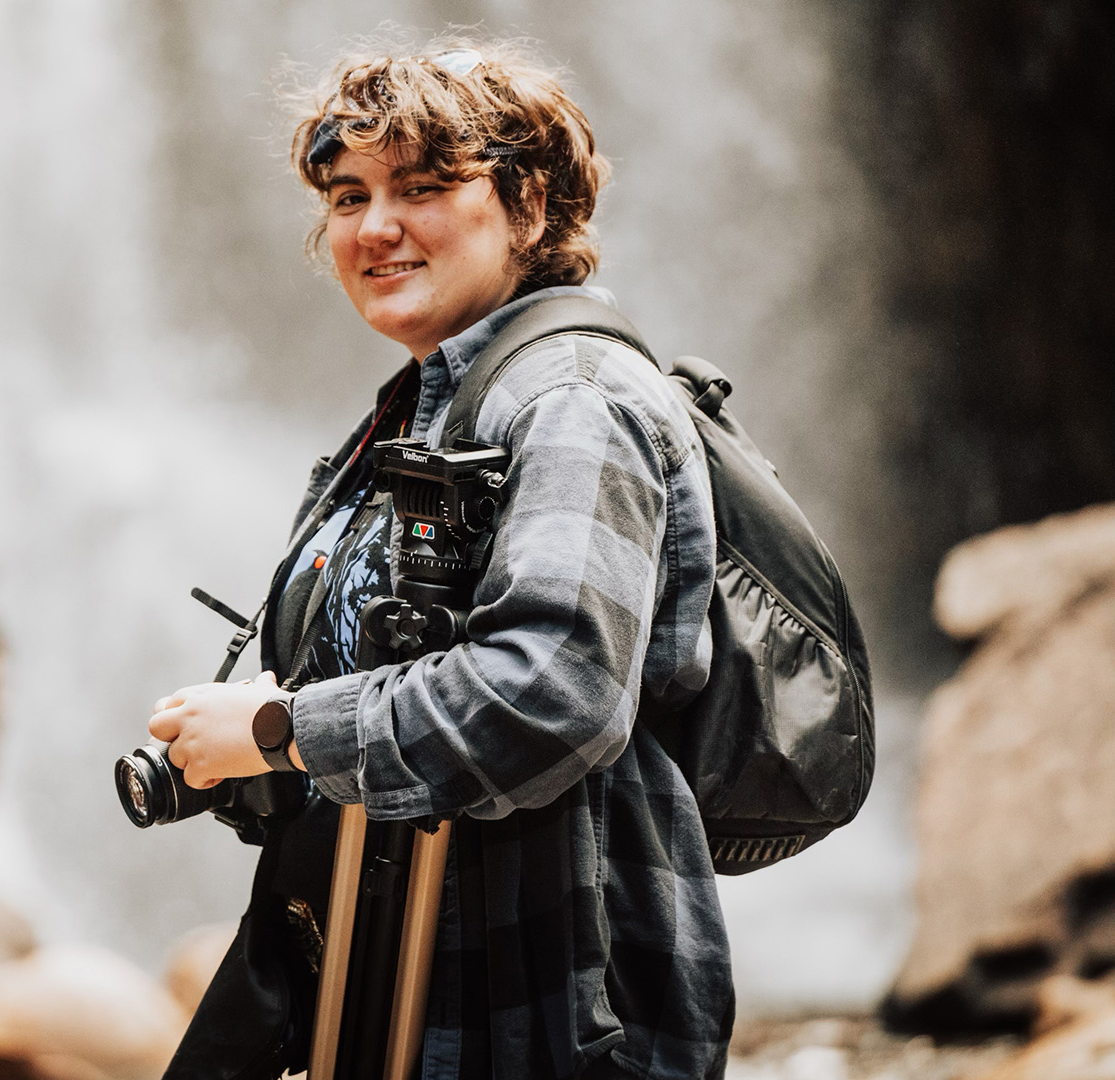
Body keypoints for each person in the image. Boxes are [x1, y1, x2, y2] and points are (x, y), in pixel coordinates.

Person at [147, 38, 733, 1080]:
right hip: (413, 978)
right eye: (346, 195)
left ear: (533, 206)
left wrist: (281, 730)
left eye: (421, 186)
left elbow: (555, 690)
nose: (376, 228)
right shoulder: (433, 403)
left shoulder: (572, 403)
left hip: (547, 1001)